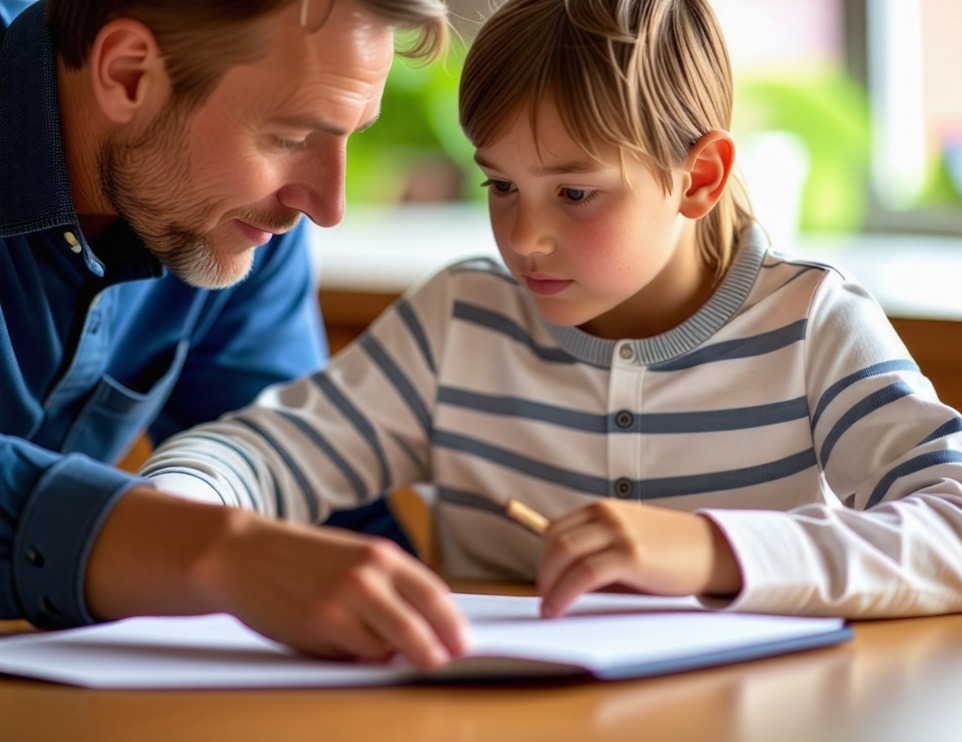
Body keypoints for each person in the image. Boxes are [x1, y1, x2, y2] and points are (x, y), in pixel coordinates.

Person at [144, 0, 962, 629]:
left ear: (700, 177)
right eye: (501, 186)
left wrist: (713, 551)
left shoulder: (813, 324)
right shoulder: (459, 323)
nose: (525, 238)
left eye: (575, 193)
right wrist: (170, 522)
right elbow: (260, 453)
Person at [0, 0, 470, 672]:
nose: (327, 206)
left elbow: (297, 481)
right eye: (289, 137)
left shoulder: (244, 222)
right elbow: (250, 552)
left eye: (349, 135)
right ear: (129, 74)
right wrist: (212, 551)